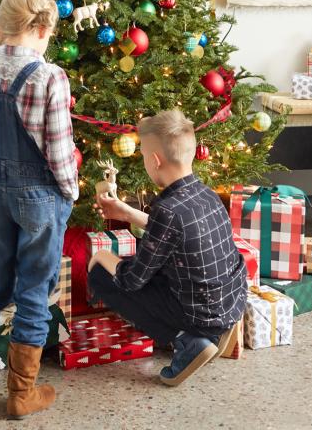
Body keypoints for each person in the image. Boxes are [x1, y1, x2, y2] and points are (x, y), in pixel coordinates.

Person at [0, 0, 78, 419]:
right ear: (43, 29)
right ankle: (21, 394)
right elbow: (59, 151)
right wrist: (70, 190)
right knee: (33, 290)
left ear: (1, 26)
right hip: (41, 195)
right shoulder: (50, 77)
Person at [88, 109, 247, 386]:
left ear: (155, 160)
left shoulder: (167, 209)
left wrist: (102, 258)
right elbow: (176, 233)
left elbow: (132, 279)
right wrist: (127, 213)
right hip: (231, 303)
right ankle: (212, 333)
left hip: (200, 313)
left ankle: (187, 341)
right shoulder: (206, 193)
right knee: (151, 259)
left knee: (102, 275)